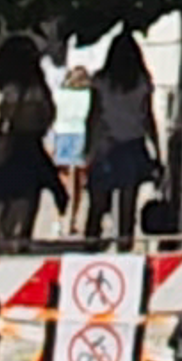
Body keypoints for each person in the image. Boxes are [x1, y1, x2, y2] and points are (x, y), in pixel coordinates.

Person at [0, 33, 57, 248]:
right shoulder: (38, 88)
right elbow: (48, 116)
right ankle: (20, 241)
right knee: (27, 198)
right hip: (30, 147)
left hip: (1, 147)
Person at [75, 21, 162, 235]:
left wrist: (88, 150)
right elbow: (148, 117)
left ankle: (92, 242)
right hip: (133, 145)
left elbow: (94, 116)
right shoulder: (142, 83)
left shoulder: (101, 81)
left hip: (107, 145)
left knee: (97, 204)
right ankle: (125, 243)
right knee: (127, 205)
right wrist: (157, 150)